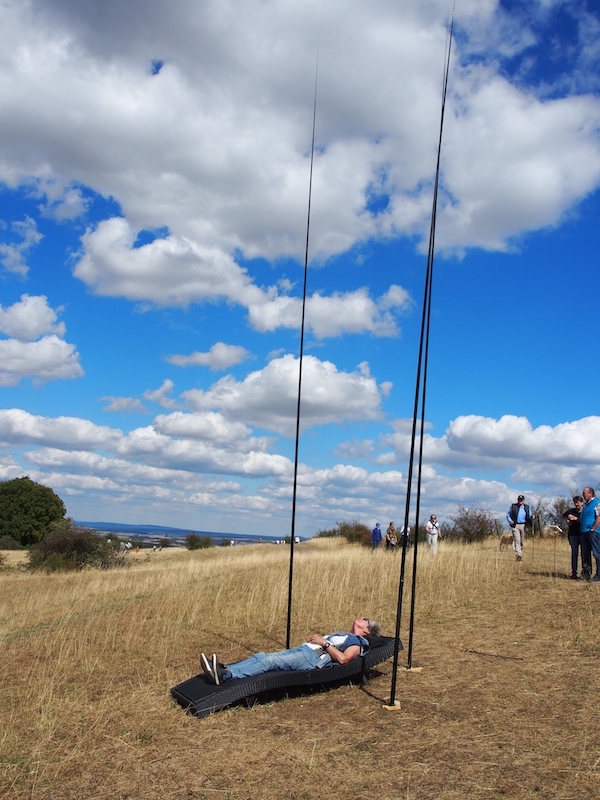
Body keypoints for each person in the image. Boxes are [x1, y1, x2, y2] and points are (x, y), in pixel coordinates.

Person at [200, 617, 381, 685]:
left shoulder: (358, 642)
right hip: (305, 650)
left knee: (269, 662)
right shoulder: (347, 635)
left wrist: (322, 642)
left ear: (367, 630)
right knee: (262, 656)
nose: (359, 618)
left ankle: (226, 675)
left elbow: (342, 659)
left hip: (310, 659)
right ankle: (223, 670)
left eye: (364, 620)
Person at [580, 487, 600, 582]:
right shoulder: (586, 505)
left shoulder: (597, 503)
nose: (583, 495)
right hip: (584, 532)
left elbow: (599, 517)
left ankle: (599, 575)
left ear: (590, 494)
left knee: (597, 553)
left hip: (593, 533)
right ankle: (586, 574)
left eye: (585, 493)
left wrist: (593, 529)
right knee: (585, 554)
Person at [506, 495, 533, 562]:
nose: (520, 501)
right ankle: (519, 554)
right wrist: (510, 521)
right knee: (517, 540)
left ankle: (519, 553)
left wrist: (532, 517)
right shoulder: (513, 506)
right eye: (519, 500)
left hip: (523, 525)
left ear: (523, 501)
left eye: (521, 500)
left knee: (521, 541)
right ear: (517, 500)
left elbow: (530, 515)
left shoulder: (526, 507)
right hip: (515, 525)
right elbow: (508, 515)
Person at [562, 495, 584, 579]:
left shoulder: (585, 511)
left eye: (578, 503)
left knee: (583, 554)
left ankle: (584, 572)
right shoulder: (571, 511)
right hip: (573, 534)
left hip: (582, 534)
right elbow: (564, 515)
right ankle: (574, 572)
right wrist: (567, 520)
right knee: (574, 553)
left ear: (582, 503)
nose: (576, 505)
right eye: (575, 503)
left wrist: (576, 519)